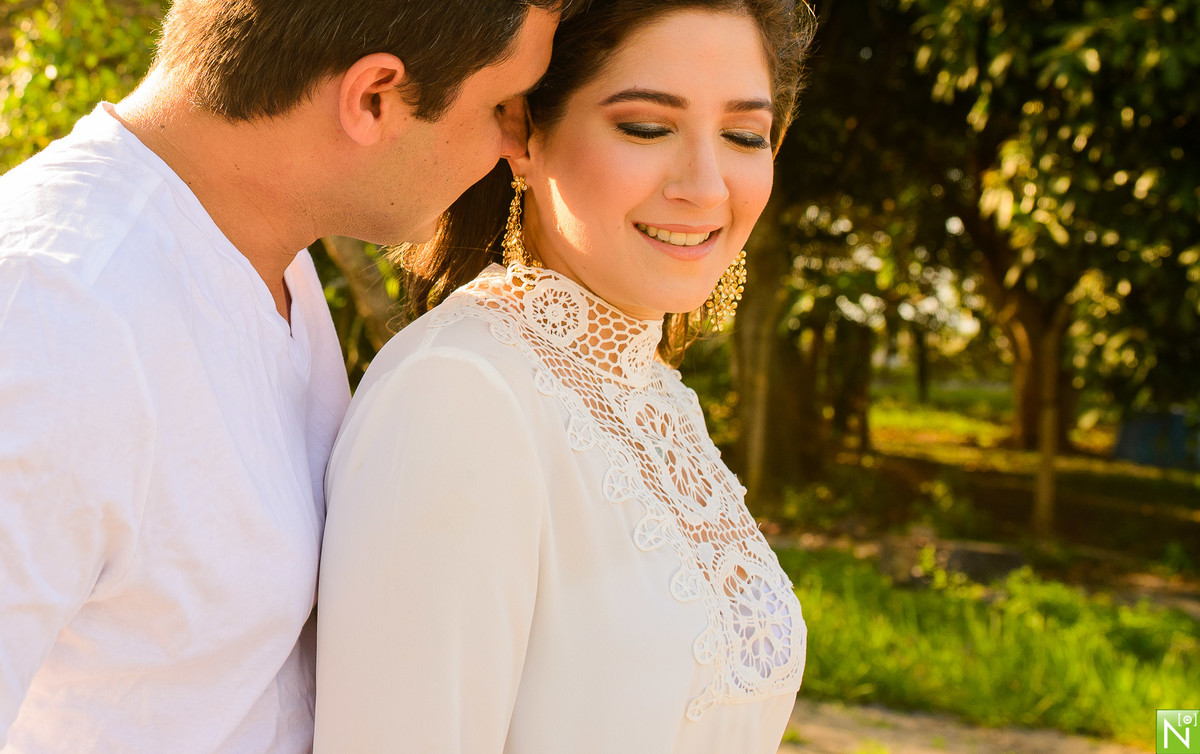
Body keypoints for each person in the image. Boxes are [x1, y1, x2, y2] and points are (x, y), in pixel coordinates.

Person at [0, 0, 564, 750]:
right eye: (502, 104)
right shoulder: (57, 309)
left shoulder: (269, 253)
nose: (515, 144)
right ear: (375, 98)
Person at [314, 0, 817, 751]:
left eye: (745, 135)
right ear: (522, 132)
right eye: (647, 127)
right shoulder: (461, 393)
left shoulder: (653, 396)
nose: (707, 186)